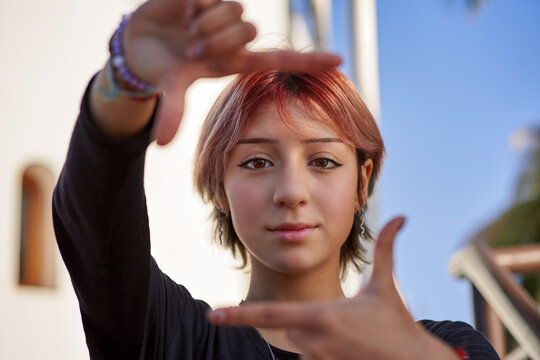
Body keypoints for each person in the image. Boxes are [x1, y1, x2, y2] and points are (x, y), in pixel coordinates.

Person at [52, 0, 500, 358]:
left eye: (323, 161)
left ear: (363, 182)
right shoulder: (171, 338)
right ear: (219, 187)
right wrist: (128, 79)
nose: (291, 192)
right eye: (257, 162)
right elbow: (94, 224)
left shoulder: (450, 348)